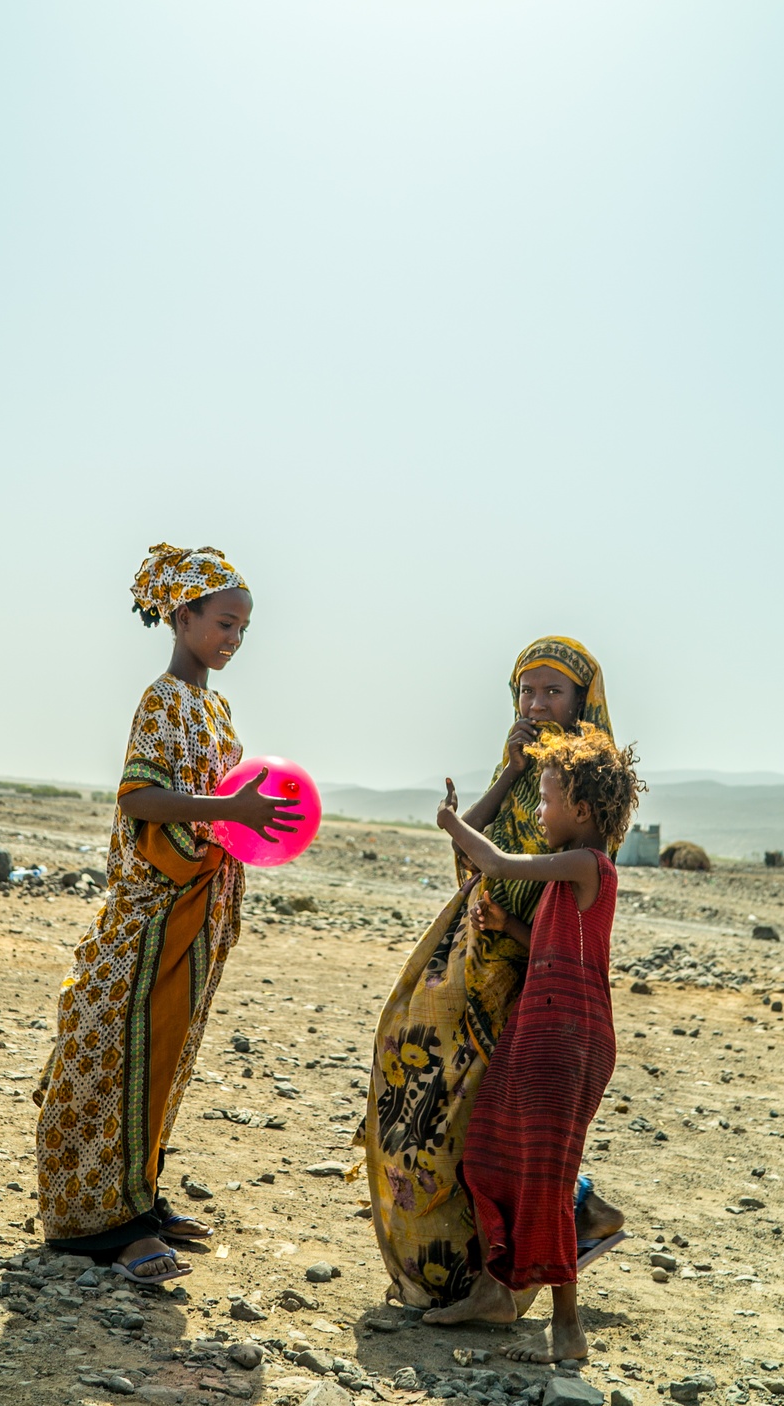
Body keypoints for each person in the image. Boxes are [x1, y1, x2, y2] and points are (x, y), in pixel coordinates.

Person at [33, 544, 301, 1285]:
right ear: (182, 618)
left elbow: (234, 806)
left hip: (202, 909)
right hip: (151, 914)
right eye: (222, 623)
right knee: (119, 1052)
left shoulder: (214, 706)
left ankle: (140, 1199)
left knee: (168, 1058)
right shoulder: (162, 700)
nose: (233, 640)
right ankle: (96, 1221)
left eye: (243, 629)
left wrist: (253, 821)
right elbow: (140, 799)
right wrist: (231, 808)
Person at [359, 636, 624, 1308]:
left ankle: (502, 1269)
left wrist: (508, 926)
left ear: (582, 703)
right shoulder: (536, 785)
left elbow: (559, 915)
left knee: (488, 1123)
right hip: (472, 958)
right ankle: (472, 1265)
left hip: (527, 982)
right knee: (429, 1091)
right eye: (526, 691)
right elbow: (474, 841)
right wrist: (507, 772)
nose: (536, 704)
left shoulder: (585, 798)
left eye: (552, 692)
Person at [423, 727, 643, 1361]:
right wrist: (507, 925)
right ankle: (496, 1291)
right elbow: (549, 946)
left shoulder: (587, 864)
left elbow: (494, 863)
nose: (540, 813)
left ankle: (567, 1331)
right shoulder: (568, 877)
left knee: (546, 1177)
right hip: (544, 1028)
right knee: (488, 1155)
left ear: (582, 810)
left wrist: (449, 823)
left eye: (546, 802)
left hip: (567, 1037)